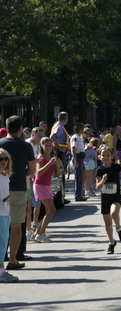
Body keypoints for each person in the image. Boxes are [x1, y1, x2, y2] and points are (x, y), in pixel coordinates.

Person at [0, 116, 36, 269]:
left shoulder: (0, 144)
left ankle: (2, 259)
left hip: (1, 188)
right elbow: (32, 170)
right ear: (20, 129)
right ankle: (13, 259)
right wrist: (21, 173)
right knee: (16, 226)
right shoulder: (26, 146)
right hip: (18, 188)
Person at [32, 137, 62, 242]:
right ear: (41, 146)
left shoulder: (53, 158)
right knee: (52, 209)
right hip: (39, 185)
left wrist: (57, 166)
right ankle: (40, 233)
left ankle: (38, 232)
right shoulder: (40, 157)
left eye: (50, 145)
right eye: (46, 145)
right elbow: (38, 173)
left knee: (50, 210)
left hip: (47, 186)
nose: (48, 148)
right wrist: (50, 163)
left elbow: (57, 175)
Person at [0, 148, 19, 282]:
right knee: (1, 244)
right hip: (0, 214)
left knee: (3, 242)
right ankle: (1, 272)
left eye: (5, 159)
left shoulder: (5, 176)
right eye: (0, 159)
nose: (3, 162)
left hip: (5, 213)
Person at [50, 111, 70, 204]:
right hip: (59, 153)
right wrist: (59, 148)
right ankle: (60, 196)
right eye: (67, 118)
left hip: (59, 152)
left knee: (60, 174)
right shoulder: (59, 127)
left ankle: (61, 195)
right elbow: (53, 137)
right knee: (60, 174)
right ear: (64, 119)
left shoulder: (58, 125)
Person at [71, 123, 87, 201]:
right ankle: (77, 195)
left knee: (81, 177)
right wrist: (75, 161)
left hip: (81, 158)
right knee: (78, 177)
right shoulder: (75, 137)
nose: (83, 130)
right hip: (77, 158)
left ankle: (80, 194)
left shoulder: (79, 137)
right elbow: (73, 148)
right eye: (82, 129)